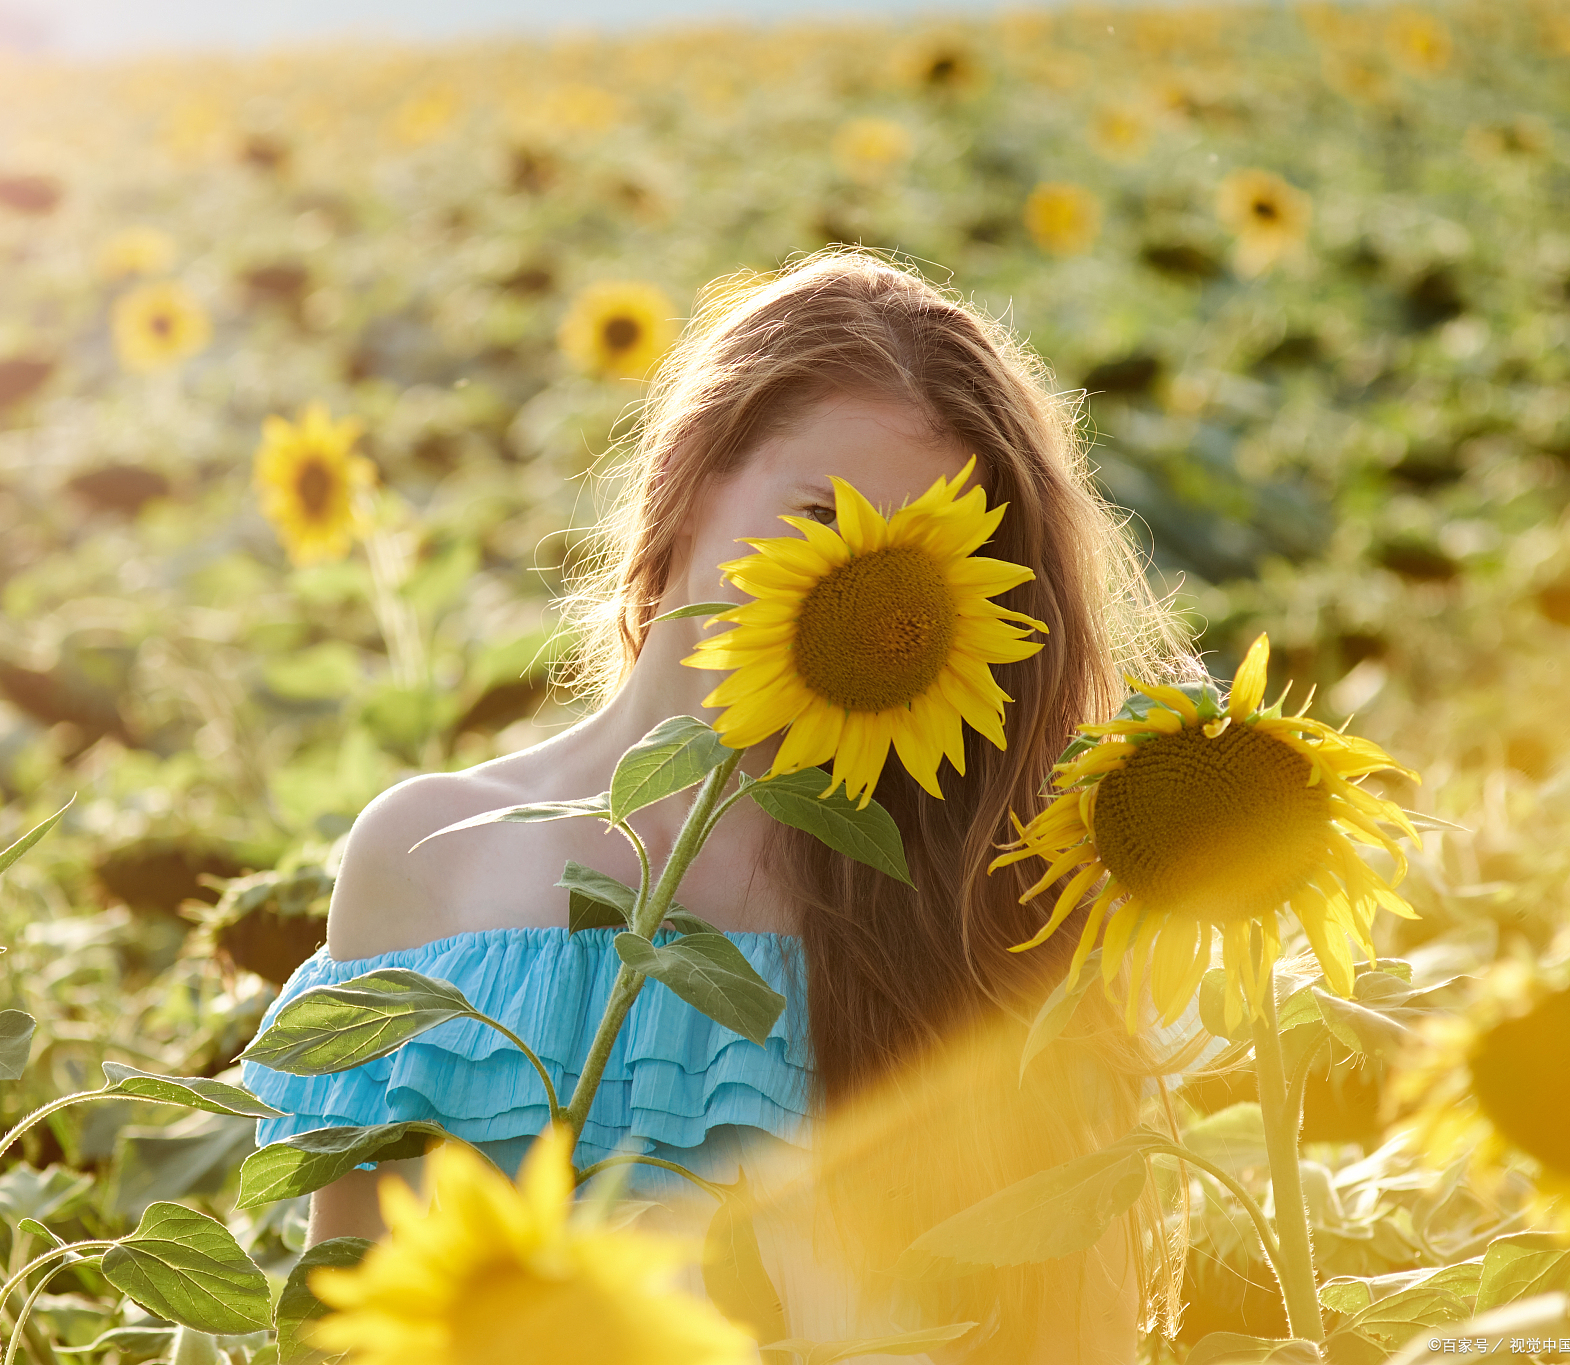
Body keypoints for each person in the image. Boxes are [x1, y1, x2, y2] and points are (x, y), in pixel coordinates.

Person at [241, 248, 1206, 1362]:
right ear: (692, 477)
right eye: (820, 514)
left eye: (921, 568)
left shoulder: (986, 894)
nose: (860, 587)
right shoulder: (426, 854)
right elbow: (351, 1324)